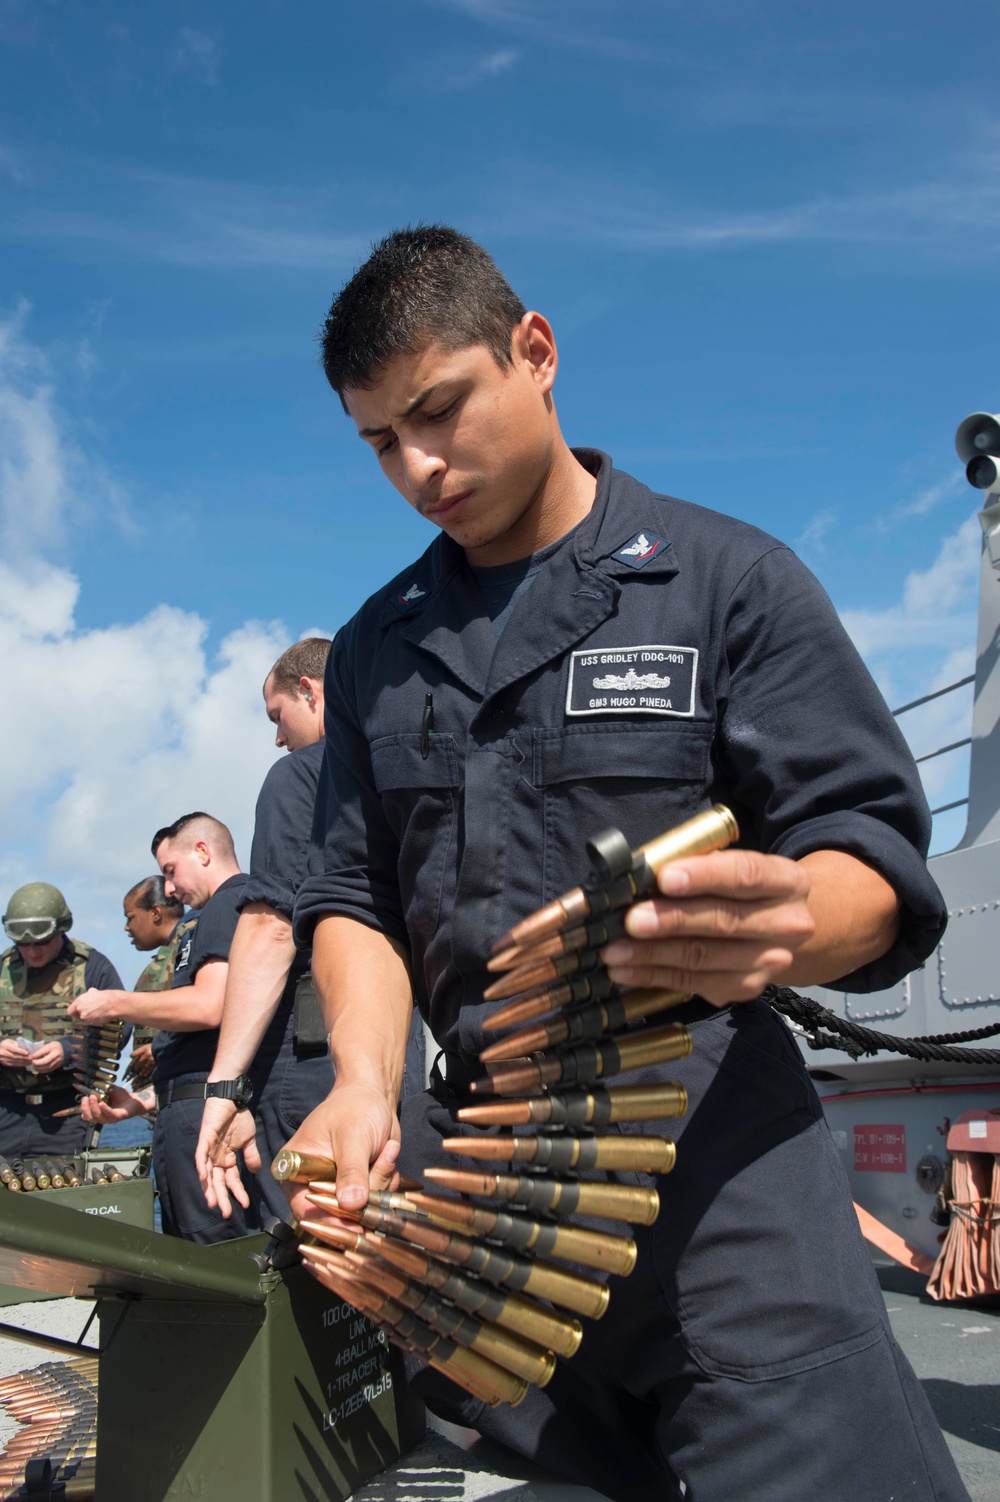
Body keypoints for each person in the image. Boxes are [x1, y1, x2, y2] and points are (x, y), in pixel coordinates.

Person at [283, 227, 967, 1502]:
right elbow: (356, 897)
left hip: (717, 1166)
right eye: (381, 440)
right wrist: (366, 1083)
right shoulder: (379, 643)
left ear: (533, 353)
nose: (419, 466)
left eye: (438, 410)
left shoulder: (725, 581)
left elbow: (867, 844)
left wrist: (788, 917)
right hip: (488, 1182)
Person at [194, 639, 336, 1226]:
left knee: (315, 1259)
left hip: (308, 1059)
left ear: (309, 691)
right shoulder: (402, 775)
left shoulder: (298, 777)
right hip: (400, 1058)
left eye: (278, 716)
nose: (278, 737)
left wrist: (227, 1089)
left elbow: (273, 928)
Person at [71, 814, 251, 1243]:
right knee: (191, 1256)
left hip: (207, 1117)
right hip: (183, 1115)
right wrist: (138, 1103)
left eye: (171, 871)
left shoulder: (229, 904)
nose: (169, 890)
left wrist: (113, 1002)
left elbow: (210, 1007)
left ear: (203, 852)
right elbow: (194, 1053)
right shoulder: (205, 920)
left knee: (218, 1257)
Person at [0, 882, 122, 1158]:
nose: (32, 952)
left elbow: (118, 1029)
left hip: (66, 1111)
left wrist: (66, 1050)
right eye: (23, 944)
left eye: (42, 942)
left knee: (62, 1195)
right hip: (6, 1110)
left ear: (62, 929)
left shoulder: (92, 967)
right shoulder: (2, 968)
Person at [122, 875, 194, 1088]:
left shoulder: (193, 940)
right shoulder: (175, 948)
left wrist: (162, 1045)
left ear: (155, 913)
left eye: (130, 917)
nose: (127, 927)